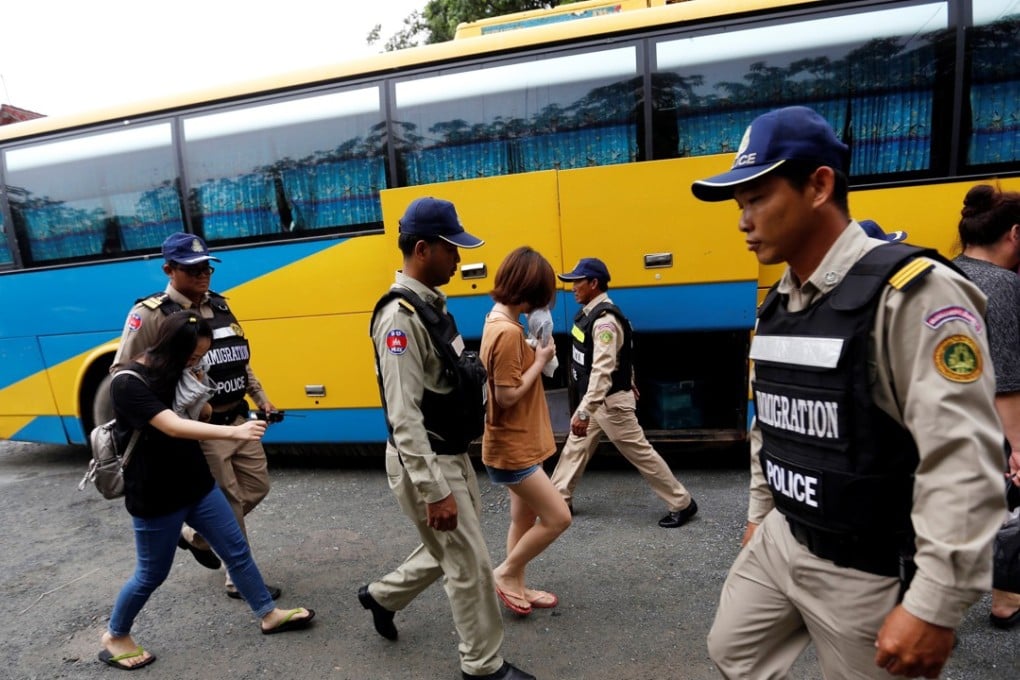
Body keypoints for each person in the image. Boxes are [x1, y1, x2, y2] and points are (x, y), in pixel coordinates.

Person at [691, 105, 1005, 679]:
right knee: (731, 650)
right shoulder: (780, 302)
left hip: (867, 566)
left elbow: (964, 459)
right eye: (740, 205)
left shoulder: (915, 294)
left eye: (757, 198)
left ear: (819, 185)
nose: (743, 220)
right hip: (784, 536)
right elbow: (771, 420)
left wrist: (933, 606)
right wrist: (761, 514)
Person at [361, 197, 535, 680]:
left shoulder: (429, 308)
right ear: (422, 249)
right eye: (451, 249)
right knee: (470, 565)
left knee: (455, 549)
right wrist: (434, 489)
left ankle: (381, 596)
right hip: (429, 463)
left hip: (450, 455)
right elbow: (403, 415)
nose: (459, 259)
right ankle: (482, 667)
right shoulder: (400, 318)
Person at [100, 311, 313, 671]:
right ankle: (115, 636)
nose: (195, 362)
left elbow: (204, 414)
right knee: (151, 574)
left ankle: (268, 614)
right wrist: (237, 433)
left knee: (236, 550)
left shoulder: (179, 372)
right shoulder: (128, 381)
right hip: (156, 494)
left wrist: (198, 381)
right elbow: (173, 426)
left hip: (196, 483)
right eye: (193, 356)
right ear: (170, 347)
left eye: (200, 357)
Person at [111, 232, 280, 600]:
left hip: (237, 417)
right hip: (202, 426)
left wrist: (261, 397)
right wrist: (168, 412)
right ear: (169, 270)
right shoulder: (152, 314)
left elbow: (239, 358)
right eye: (192, 269)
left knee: (257, 487)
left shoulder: (219, 306)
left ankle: (198, 535)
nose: (203, 274)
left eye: (207, 267)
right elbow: (124, 371)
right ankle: (239, 578)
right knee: (230, 499)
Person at [548, 257, 698, 528]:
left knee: (641, 454)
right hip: (596, 400)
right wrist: (627, 381)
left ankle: (682, 503)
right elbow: (620, 358)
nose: (572, 287)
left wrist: (584, 410)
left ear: (594, 284)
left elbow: (603, 369)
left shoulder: (605, 321)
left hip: (607, 404)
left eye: (577, 282)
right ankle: (558, 499)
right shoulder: (592, 314)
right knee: (575, 447)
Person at [480, 246, 571, 616]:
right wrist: (542, 359)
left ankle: (515, 581)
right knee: (558, 517)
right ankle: (505, 573)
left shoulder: (500, 324)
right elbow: (507, 395)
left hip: (517, 445)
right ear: (529, 290)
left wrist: (531, 351)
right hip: (513, 449)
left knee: (524, 518)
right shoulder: (506, 333)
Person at [949, 184, 1020, 629]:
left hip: (937, 422)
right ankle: (1006, 599)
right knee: (1003, 506)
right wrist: (1018, 445)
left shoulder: (942, 272)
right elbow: (1007, 379)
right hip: (985, 423)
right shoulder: (1005, 285)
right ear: (1015, 233)